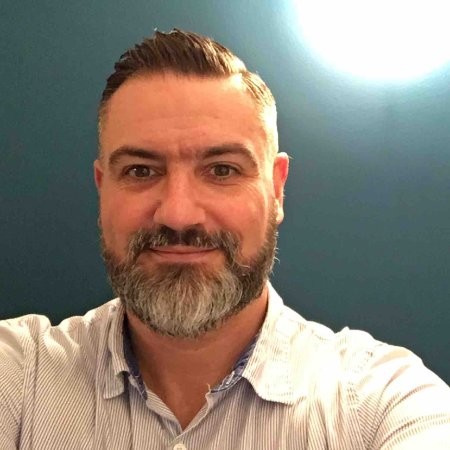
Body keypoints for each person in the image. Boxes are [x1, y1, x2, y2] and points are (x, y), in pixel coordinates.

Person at [1, 29, 449, 450]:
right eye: (140, 170)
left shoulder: (382, 400)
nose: (178, 214)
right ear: (103, 189)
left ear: (277, 189)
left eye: (222, 170)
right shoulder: (20, 374)